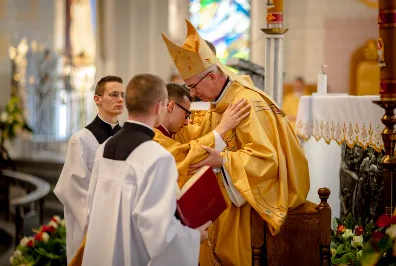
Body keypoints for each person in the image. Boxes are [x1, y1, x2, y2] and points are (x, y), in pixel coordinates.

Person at [162, 19, 310, 265]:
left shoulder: (246, 103)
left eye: (193, 87)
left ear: (211, 76)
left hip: (242, 209)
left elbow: (266, 161)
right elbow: (209, 133)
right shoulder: (221, 102)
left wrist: (221, 159)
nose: (193, 94)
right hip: (221, 201)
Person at [81, 74, 210, 266]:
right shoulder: (157, 157)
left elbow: (91, 208)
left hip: (102, 253)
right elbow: (158, 232)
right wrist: (193, 237)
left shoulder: (104, 148)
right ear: (159, 107)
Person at [54, 75, 124, 264]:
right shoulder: (82, 140)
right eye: (114, 94)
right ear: (97, 99)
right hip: (92, 225)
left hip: (122, 224)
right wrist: (99, 219)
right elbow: (72, 188)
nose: (120, 99)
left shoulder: (127, 138)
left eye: (122, 95)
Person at [154, 82, 250, 186]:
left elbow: (199, 135)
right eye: (186, 115)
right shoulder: (152, 136)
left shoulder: (177, 130)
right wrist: (223, 128)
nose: (187, 122)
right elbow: (188, 157)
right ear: (171, 107)